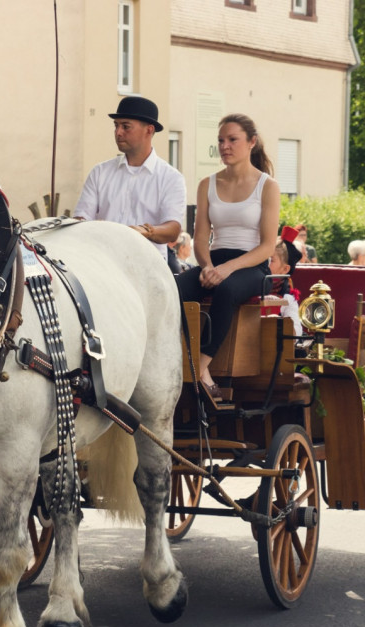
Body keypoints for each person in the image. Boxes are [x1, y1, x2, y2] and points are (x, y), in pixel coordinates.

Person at [176, 113, 281, 399]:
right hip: (215, 262)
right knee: (174, 288)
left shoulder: (267, 186)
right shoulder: (206, 184)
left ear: (251, 143)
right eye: (221, 140)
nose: (225, 146)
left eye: (232, 139)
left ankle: (200, 366)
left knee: (226, 288)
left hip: (252, 267)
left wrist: (226, 269)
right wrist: (208, 266)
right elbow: (199, 238)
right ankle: (190, 363)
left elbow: (268, 246)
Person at [73, 95, 187, 256]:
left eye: (126, 127)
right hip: (102, 261)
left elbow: (173, 229)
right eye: (116, 126)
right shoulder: (99, 172)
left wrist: (146, 231)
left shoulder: (171, 178)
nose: (118, 132)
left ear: (149, 130)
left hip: (148, 265)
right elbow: (80, 220)